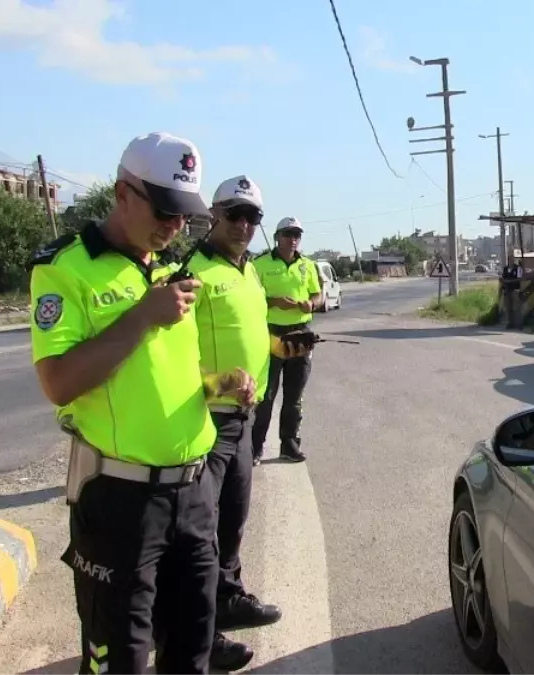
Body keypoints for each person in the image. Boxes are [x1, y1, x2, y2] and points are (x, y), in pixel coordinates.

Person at [29, 132, 254, 675]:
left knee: (191, 652)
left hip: (193, 494)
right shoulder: (66, 268)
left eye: (184, 217)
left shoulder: (166, 273)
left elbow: (166, 381)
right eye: (163, 211)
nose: (174, 227)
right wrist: (142, 317)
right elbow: (58, 382)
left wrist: (222, 383)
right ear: (122, 192)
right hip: (120, 502)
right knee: (121, 660)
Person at [186, 176, 306, 669]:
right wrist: (218, 384)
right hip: (204, 419)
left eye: (252, 217)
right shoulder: (190, 273)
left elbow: (253, 336)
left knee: (234, 519)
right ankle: (201, 634)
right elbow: (167, 364)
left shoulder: (250, 272)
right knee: (200, 534)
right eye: (234, 214)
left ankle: (229, 598)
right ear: (214, 213)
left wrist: (282, 348)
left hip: (242, 418)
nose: (243, 225)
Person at [251, 217, 323, 463]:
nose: (293, 239)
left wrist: (311, 303)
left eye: (297, 235)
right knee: (266, 395)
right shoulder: (259, 264)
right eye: (288, 234)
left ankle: (289, 445)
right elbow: (249, 298)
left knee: (294, 396)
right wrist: (274, 302)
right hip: (270, 334)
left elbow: (318, 294)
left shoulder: (308, 265)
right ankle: (255, 447)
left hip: (300, 333)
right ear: (277, 236)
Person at [500, 256, 523, 328]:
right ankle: (510, 323)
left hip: (515, 289)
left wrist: (509, 281)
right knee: (508, 307)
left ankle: (519, 324)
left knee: (516, 307)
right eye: (509, 260)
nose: (511, 261)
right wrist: (503, 281)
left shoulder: (518, 268)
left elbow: (519, 279)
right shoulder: (505, 268)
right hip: (507, 290)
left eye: (512, 260)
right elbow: (503, 277)